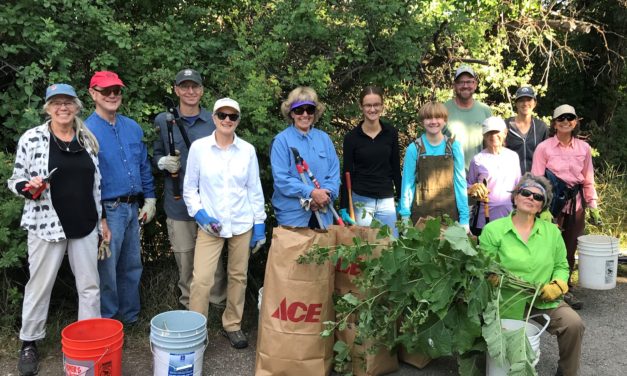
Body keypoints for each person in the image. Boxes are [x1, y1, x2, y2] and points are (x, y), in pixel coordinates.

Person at [8, 84, 102, 376]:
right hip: (46, 223)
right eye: (56, 103)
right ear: (47, 108)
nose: (63, 107)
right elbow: (16, 179)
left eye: (68, 102)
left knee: (89, 287)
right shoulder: (33, 137)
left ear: (76, 106)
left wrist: (101, 222)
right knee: (39, 285)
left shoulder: (86, 137)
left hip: (85, 222)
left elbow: (96, 183)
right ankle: (29, 342)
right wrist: (28, 187)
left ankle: (90, 339)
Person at [479, 173, 584, 376]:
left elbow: (562, 265)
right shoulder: (493, 230)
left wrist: (558, 285)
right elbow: (484, 264)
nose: (531, 198)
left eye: (538, 197)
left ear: (542, 206)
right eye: (526, 192)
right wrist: (491, 276)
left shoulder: (552, 232)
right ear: (515, 197)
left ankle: (567, 372)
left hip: (543, 297)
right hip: (506, 300)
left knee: (573, 324)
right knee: (495, 348)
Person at [184, 98, 266, 349]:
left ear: (238, 120)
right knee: (201, 279)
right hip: (211, 225)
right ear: (214, 117)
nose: (227, 120)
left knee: (238, 276)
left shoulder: (247, 150)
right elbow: (189, 188)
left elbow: (254, 188)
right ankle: (196, 330)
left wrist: (260, 224)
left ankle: (233, 324)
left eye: (233, 116)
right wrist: (199, 214)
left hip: (242, 222)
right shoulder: (199, 148)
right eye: (222, 115)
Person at [85, 71, 156, 324]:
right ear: (93, 94)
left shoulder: (132, 127)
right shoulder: (86, 131)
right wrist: (100, 217)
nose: (113, 95)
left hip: (132, 207)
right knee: (107, 271)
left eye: (116, 90)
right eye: (106, 91)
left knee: (132, 266)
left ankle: (130, 318)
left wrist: (150, 198)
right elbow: (86, 181)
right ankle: (108, 321)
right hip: (108, 210)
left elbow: (144, 165)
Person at [152, 68, 227, 310]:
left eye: (194, 86)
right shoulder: (163, 121)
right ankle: (188, 303)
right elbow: (154, 156)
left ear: (202, 90)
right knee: (185, 256)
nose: (190, 91)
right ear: (176, 90)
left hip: (210, 203)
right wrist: (162, 163)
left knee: (213, 257)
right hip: (178, 203)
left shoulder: (214, 121)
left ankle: (215, 302)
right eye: (184, 86)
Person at [531, 104, 600, 310]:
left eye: (570, 118)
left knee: (570, 247)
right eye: (561, 118)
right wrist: (540, 209)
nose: (566, 122)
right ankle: (544, 287)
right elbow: (536, 179)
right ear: (554, 123)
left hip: (576, 204)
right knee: (548, 246)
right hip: (551, 206)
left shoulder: (584, 148)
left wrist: (593, 205)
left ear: (576, 121)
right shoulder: (544, 148)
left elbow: (588, 179)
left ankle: (564, 288)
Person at [271, 86, 340, 228]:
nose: (305, 114)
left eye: (310, 109)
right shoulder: (281, 141)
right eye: (299, 110)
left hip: (324, 211)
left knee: (324, 250)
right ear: (291, 113)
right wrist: (311, 194)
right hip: (293, 216)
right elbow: (282, 179)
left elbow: (334, 173)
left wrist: (324, 196)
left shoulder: (324, 139)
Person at [398, 102, 470, 233]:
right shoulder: (414, 149)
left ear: (445, 120)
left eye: (438, 117)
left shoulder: (454, 147)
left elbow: (460, 182)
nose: (433, 122)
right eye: (428, 118)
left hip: (449, 215)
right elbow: (407, 184)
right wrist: (405, 215)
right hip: (420, 215)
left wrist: (464, 219)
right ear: (422, 121)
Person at [339, 86, 401, 236]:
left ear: (382, 106)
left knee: (392, 245)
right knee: (365, 252)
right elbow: (347, 172)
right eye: (368, 105)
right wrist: (344, 206)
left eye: (376, 105)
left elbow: (395, 169)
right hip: (361, 201)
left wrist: (401, 198)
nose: (372, 109)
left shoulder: (391, 133)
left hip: (386, 201)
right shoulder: (351, 138)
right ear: (361, 107)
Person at [467, 116, 521, 235]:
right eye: (489, 133)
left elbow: (518, 185)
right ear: (484, 136)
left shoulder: (513, 157)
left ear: (505, 133)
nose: (493, 136)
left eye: (497, 132)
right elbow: (468, 186)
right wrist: (473, 189)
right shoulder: (477, 159)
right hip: (484, 217)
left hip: (510, 216)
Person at [443, 65, 492, 169]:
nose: (465, 85)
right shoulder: (443, 109)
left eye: (469, 82)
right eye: (461, 82)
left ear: (475, 84)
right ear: (454, 85)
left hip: (478, 174)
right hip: (450, 175)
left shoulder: (485, 110)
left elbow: (491, 144)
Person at [505, 86, 548, 173]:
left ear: (534, 103)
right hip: (511, 179)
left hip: (536, 179)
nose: (525, 103)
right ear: (516, 104)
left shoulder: (541, 127)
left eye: (529, 100)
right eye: (521, 100)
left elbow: (549, 155)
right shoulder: (505, 125)